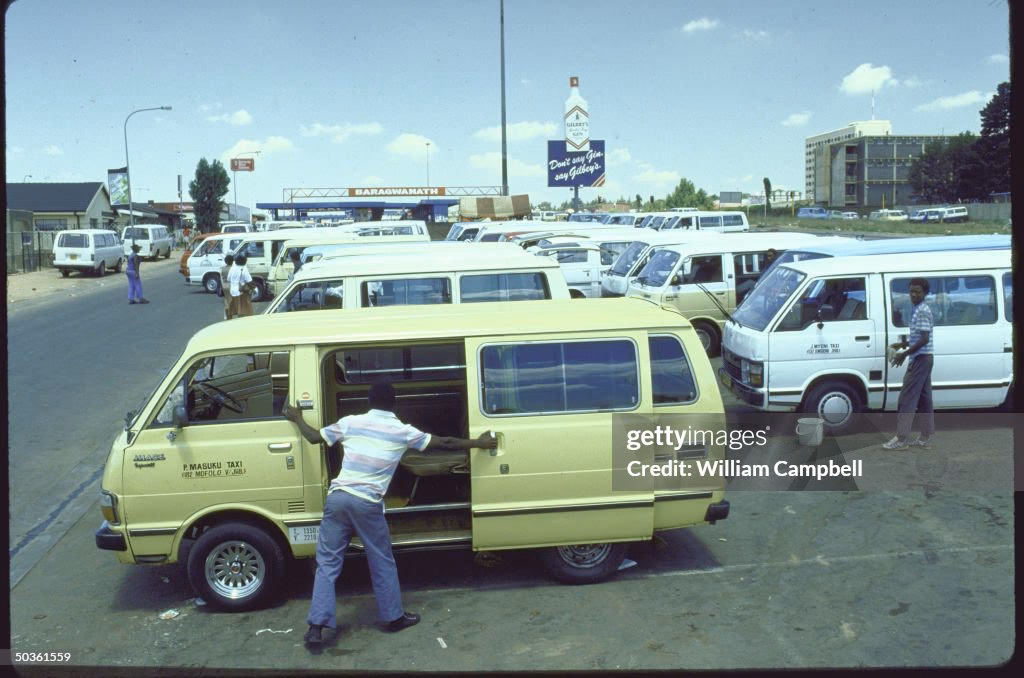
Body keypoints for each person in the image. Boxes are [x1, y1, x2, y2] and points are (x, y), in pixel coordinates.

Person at [282, 382, 497, 647]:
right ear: (393, 402)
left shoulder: (351, 422)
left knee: (326, 563)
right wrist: (481, 442)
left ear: (369, 401)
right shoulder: (402, 431)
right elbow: (445, 442)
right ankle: (393, 618)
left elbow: (315, 438)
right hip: (366, 503)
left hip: (337, 499)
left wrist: (297, 418)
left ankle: (316, 627)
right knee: (381, 560)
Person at [883, 278, 934, 450]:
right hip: (924, 358)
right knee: (925, 400)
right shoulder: (917, 309)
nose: (913, 294)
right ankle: (925, 437)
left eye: (918, 291)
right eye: (911, 291)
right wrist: (901, 345)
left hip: (920, 359)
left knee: (907, 399)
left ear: (925, 293)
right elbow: (917, 336)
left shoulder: (923, 311)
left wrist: (904, 354)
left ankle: (901, 439)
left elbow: (924, 338)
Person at [227, 253, 253, 318]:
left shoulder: (232, 268)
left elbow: (228, 279)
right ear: (244, 261)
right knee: (243, 308)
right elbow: (249, 281)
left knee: (234, 305)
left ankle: (230, 317)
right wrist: (253, 288)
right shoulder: (244, 269)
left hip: (232, 290)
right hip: (241, 291)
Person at [219, 254, 235, 320]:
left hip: (225, 286)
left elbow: (221, 278)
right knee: (233, 301)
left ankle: (228, 316)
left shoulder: (223, 269)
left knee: (226, 301)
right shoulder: (234, 268)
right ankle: (233, 314)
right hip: (232, 285)